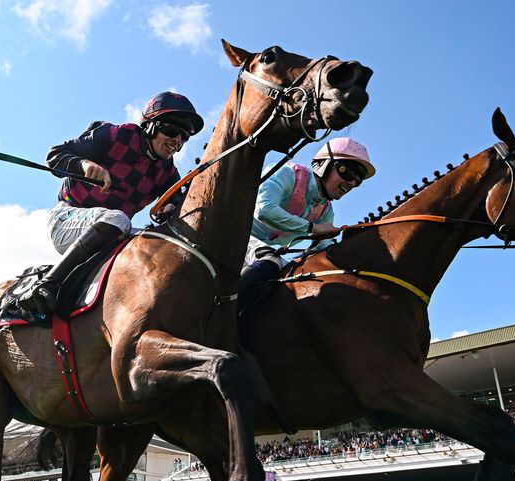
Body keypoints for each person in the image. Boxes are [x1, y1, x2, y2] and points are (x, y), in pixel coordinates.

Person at [19, 91, 204, 316]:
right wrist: (84, 165)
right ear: (150, 126)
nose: (177, 140)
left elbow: (180, 201)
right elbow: (56, 154)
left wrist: (172, 207)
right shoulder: (116, 135)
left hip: (112, 234)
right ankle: (47, 285)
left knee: (159, 244)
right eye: (171, 130)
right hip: (66, 218)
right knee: (117, 217)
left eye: (184, 137)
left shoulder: (167, 172)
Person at [237, 137, 376, 308]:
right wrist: (311, 228)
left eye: (358, 179)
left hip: (261, 252)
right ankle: (221, 315)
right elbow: (264, 209)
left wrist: (346, 245)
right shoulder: (287, 173)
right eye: (347, 171)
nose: (352, 182)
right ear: (323, 165)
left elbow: (321, 250)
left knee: (292, 277)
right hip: (234, 232)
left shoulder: (326, 211)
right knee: (271, 261)